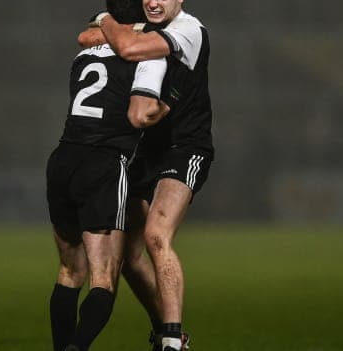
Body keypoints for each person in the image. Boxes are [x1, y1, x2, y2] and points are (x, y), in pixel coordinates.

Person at [84, 1, 214, 350]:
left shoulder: (189, 29)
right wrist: (115, 27)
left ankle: (171, 338)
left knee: (157, 234)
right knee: (128, 256)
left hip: (185, 147)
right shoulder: (146, 24)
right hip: (147, 150)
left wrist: (106, 19)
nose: (153, 1)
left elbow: (124, 46)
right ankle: (165, 333)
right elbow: (85, 38)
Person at [46, 1, 171, 350]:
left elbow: (88, 34)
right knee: (104, 279)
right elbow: (142, 113)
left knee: (70, 271)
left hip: (62, 160)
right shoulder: (143, 55)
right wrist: (166, 108)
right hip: (102, 163)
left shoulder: (84, 54)